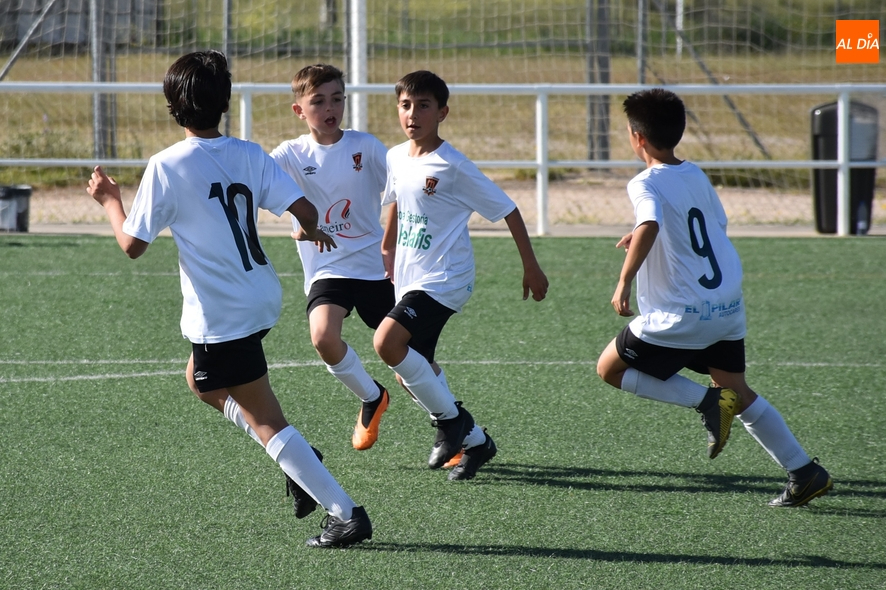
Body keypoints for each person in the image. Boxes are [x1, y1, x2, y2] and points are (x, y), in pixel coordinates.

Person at [86, 50, 372, 547]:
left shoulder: (167, 165)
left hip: (223, 311)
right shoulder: (248, 152)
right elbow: (303, 207)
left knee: (266, 418)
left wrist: (111, 199)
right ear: (224, 102)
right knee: (200, 382)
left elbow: (132, 245)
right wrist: (311, 230)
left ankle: (343, 510)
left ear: (174, 106)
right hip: (259, 294)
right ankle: (297, 456)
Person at [595, 88, 832, 507]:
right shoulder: (695, 173)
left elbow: (650, 221)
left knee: (609, 369)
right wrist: (646, 233)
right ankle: (804, 471)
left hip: (683, 314)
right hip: (726, 306)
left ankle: (706, 402)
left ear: (637, 138)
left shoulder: (644, 181)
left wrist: (624, 280)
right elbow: (705, 226)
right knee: (738, 391)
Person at [373, 70, 550, 481]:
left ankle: (451, 423)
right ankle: (475, 441)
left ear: (442, 113)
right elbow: (399, 199)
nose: (412, 114)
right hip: (410, 276)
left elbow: (508, 208)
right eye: (405, 105)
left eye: (423, 105)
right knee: (411, 374)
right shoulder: (396, 156)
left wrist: (531, 265)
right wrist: (386, 246)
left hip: (445, 278)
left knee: (386, 341)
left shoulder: (453, 166)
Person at [269, 64, 393, 455]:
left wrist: (392, 247)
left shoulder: (366, 147)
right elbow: (257, 184)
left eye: (336, 99)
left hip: (376, 268)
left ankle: (453, 424)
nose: (329, 108)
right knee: (323, 336)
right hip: (328, 267)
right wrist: (299, 227)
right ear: (298, 110)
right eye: (318, 101)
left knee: (411, 358)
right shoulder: (289, 154)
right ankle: (372, 397)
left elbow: (401, 194)